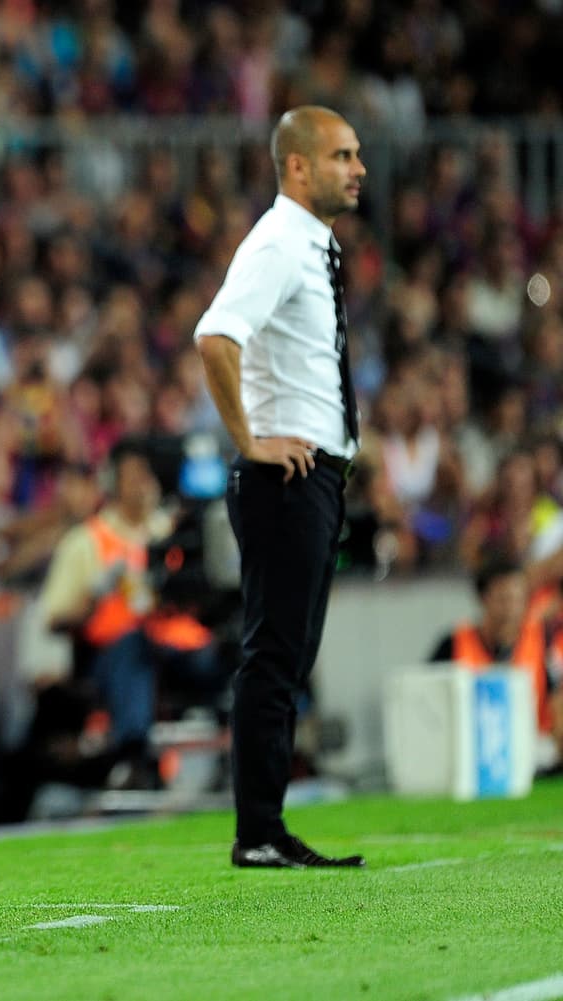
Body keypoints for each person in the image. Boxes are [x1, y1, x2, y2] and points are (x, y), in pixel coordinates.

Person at [194, 105, 368, 869]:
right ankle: (259, 829)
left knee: (289, 657)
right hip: (285, 476)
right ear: (297, 165)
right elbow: (215, 336)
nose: (358, 169)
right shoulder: (277, 243)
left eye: (356, 155)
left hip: (313, 475)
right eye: (342, 156)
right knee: (274, 656)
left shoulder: (309, 245)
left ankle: (267, 824)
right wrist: (249, 441)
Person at [38, 437, 220, 786]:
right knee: (135, 648)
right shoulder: (86, 541)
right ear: (113, 483)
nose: (143, 485)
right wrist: (95, 595)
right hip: (111, 658)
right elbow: (54, 618)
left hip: (178, 649)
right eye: (134, 476)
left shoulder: (174, 532)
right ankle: (133, 756)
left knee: (234, 642)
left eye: (147, 475)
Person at [429, 556, 562, 770]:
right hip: (471, 754)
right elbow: (429, 703)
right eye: (503, 599)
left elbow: (558, 697)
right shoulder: (454, 644)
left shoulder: (542, 640)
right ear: (483, 598)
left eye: (518, 599)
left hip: (535, 750)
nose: (512, 608)